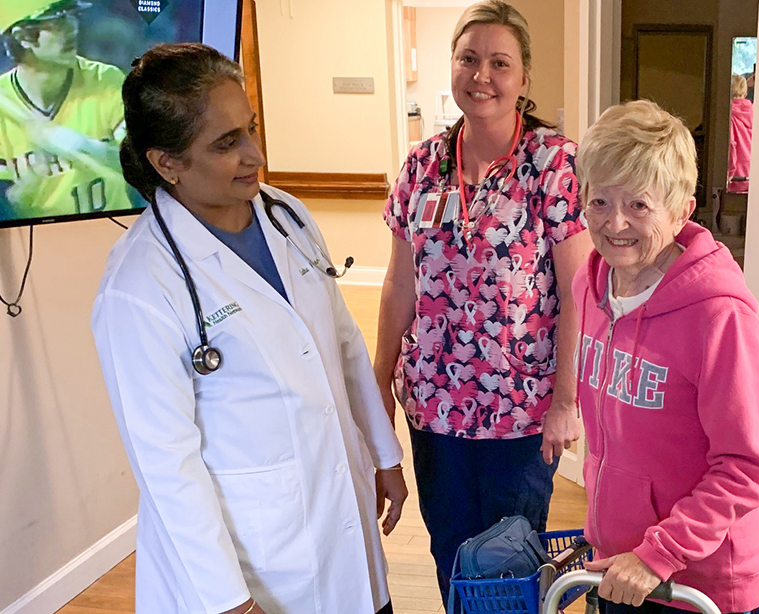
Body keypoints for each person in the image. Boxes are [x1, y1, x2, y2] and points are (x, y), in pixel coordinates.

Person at [92, 43, 408, 614]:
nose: (254, 154)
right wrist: (228, 601)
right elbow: (167, 463)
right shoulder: (139, 286)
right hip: (255, 568)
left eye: (250, 129)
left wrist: (383, 452)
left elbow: (342, 340)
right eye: (225, 143)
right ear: (167, 163)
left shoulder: (286, 215)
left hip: (341, 524)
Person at [375, 0, 592, 602]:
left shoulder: (554, 162)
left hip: (521, 411)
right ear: (452, 65)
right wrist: (378, 391)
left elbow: (577, 292)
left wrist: (566, 400)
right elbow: (399, 285)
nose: (482, 76)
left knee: (510, 565)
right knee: (451, 553)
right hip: (434, 405)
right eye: (468, 59)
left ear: (523, 79)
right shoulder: (421, 166)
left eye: (500, 62)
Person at [573, 99, 759, 614]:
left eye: (639, 205)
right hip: (620, 566)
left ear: (681, 209)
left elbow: (744, 468)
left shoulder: (719, 319)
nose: (615, 222)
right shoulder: (589, 284)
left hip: (698, 584)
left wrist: (657, 555)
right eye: (600, 201)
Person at [0, 0, 134, 221]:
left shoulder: (106, 80)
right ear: (24, 37)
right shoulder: (4, 106)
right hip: (39, 241)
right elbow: (8, 208)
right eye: (56, 20)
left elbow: (138, 166)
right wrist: (23, 194)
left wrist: (75, 143)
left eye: (70, 16)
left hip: (113, 230)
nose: (71, 27)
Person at [727, 74, 753, 194]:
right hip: (752, 179)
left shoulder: (729, 116)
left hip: (735, 181)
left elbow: (731, 146)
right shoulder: (756, 113)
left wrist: (728, 176)